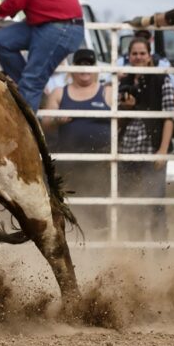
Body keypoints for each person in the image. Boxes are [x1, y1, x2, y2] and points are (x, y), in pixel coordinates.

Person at [41, 49, 112, 238]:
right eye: (80, 64)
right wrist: (57, 120)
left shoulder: (108, 91)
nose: (85, 68)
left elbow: (120, 122)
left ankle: (100, 245)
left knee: (99, 206)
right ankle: (72, 242)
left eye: (89, 64)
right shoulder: (59, 92)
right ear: (72, 68)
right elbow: (46, 124)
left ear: (95, 68)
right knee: (69, 203)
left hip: (100, 162)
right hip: (69, 161)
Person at [117, 37, 174, 241]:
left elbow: (169, 118)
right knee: (130, 204)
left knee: (156, 202)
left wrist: (163, 150)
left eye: (142, 53)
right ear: (129, 56)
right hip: (127, 149)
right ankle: (136, 253)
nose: (139, 57)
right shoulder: (123, 81)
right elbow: (115, 118)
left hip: (152, 149)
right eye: (135, 53)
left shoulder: (162, 79)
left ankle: (161, 253)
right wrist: (126, 107)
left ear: (149, 55)